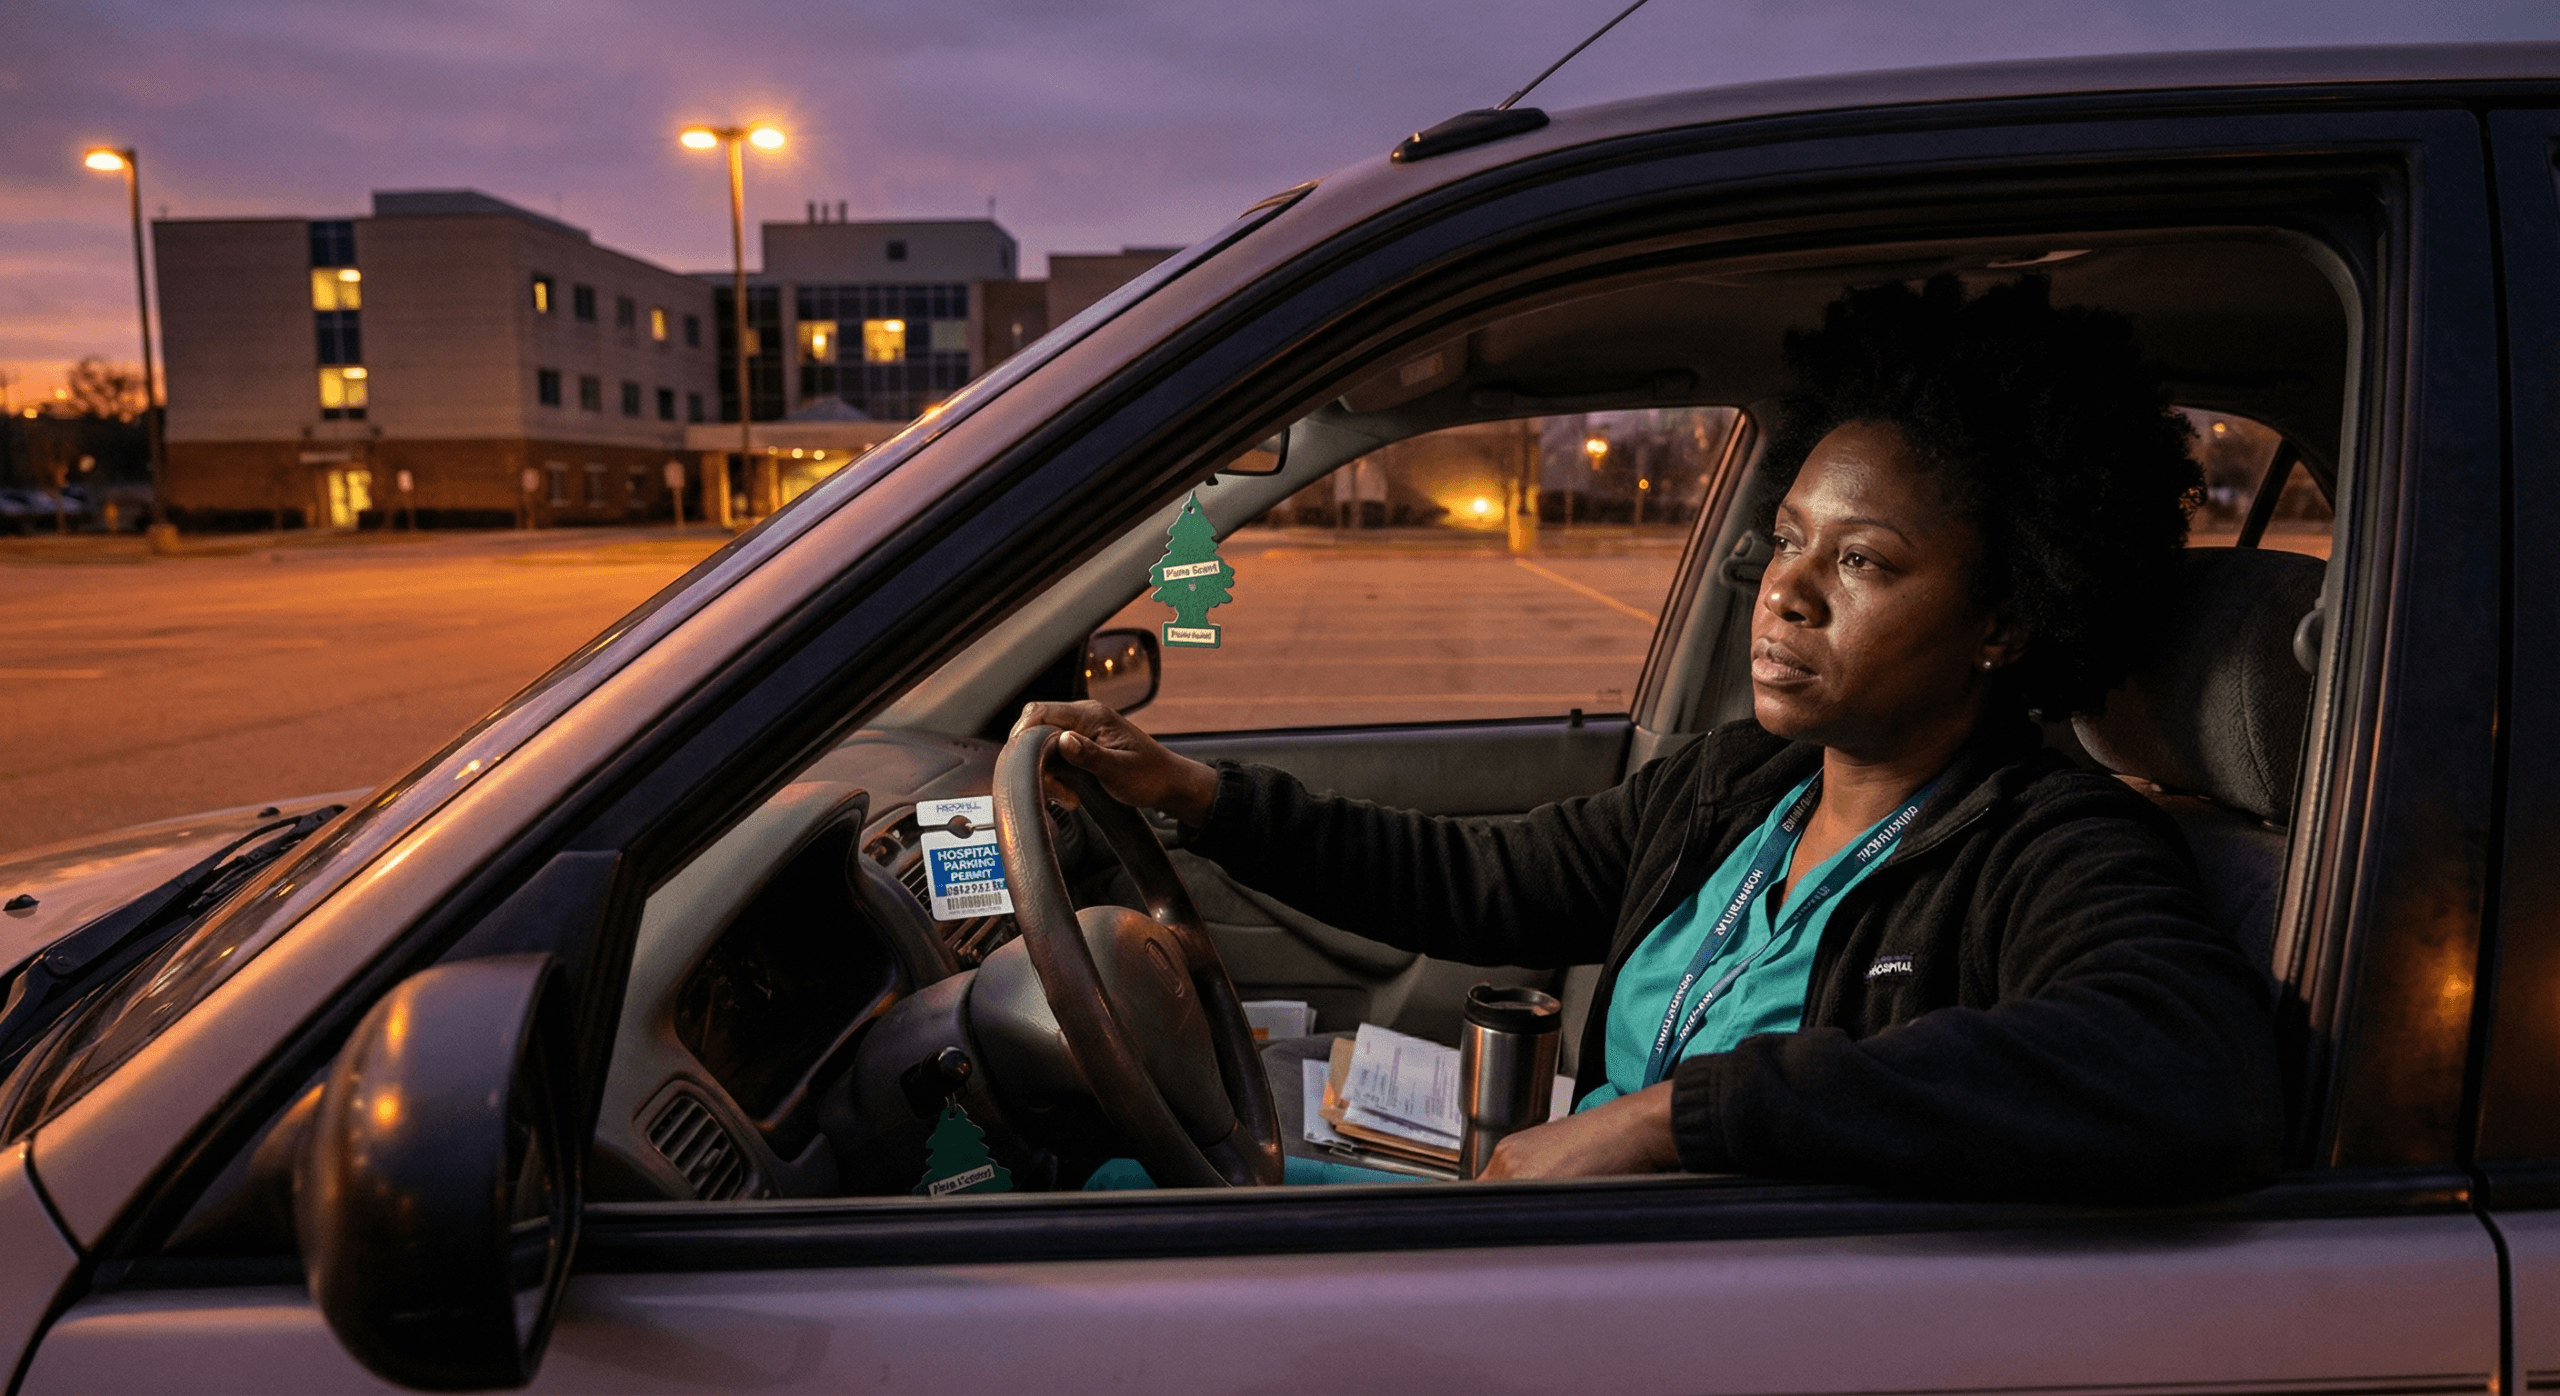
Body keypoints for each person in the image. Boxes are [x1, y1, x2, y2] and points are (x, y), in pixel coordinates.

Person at [1020, 275, 2285, 1202]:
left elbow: (2187, 1066)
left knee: (1121, 1216)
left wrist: (1672, 1120)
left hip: (1707, 1299)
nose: (1784, 592)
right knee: (1121, 1180)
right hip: (1578, 1241)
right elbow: (1473, 878)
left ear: (2004, 619)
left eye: (1861, 561)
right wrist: (1190, 792)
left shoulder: (2049, 844)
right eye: (1787, 540)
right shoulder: (1743, 788)